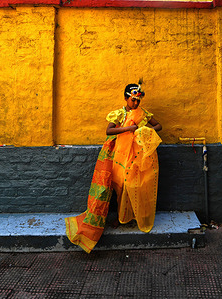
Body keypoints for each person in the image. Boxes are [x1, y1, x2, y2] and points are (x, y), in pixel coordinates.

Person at [65, 81, 162, 253]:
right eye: (133, 100)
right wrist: (128, 128)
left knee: (133, 184)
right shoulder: (118, 114)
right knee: (116, 185)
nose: (136, 103)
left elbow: (158, 126)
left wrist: (144, 131)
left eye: (138, 100)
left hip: (135, 154)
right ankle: (117, 217)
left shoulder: (143, 114)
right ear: (126, 98)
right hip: (115, 153)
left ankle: (129, 216)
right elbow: (108, 131)